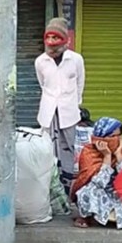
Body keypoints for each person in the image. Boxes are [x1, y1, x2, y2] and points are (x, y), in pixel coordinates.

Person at [35, 17, 85, 196]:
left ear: (65, 40)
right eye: (49, 38)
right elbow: (43, 84)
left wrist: (75, 104)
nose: (52, 43)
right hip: (48, 112)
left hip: (69, 111)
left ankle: (67, 189)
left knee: (69, 148)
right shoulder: (40, 61)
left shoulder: (76, 59)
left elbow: (80, 83)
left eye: (56, 39)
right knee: (47, 149)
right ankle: (50, 188)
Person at [71, 117, 122, 231]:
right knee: (86, 191)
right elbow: (98, 183)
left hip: (119, 198)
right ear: (100, 138)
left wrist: (119, 156)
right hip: (101, 197)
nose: (116, 139)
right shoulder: (88, 152)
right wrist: (107, 157)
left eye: (118, 136)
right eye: (112, 136)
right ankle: (86, 217)